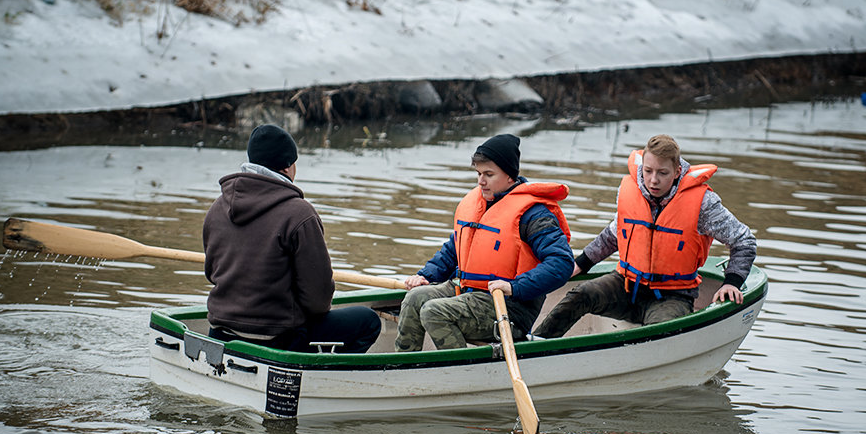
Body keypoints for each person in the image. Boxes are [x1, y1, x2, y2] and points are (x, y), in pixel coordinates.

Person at [534, 134, 757, 338]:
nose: (653, 180)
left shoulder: (703, 204)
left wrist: (732, 283)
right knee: (580, 294)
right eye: (648, 171)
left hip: (673, 296)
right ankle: (536, 345)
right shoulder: (630, 191)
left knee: (657, 334)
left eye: (662, 173)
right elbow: (613, 234)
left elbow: (744, 240)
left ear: (677, 171)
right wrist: (580, 264)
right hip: (626, 286)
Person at [202, 124, 381, 353]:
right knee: (368, 321)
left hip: (220, 330)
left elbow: (211, 273)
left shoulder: (217, 208)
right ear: (288, 167)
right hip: (276, 337)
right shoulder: (300, 214)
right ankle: (318, 371)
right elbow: (318, 300)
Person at [395, 134, 575, 351]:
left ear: (510, 176)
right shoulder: (478, 205)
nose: (481, 181)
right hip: (467, 292)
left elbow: (561, 263)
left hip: (508, 307)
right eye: (479, 174)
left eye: (489, 174)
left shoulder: (534, 215)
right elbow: (453, 250)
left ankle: (465, 368)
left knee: (434, 312)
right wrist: (426, 276)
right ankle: (404, 364)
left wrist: (514, 287)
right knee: (414, 298)